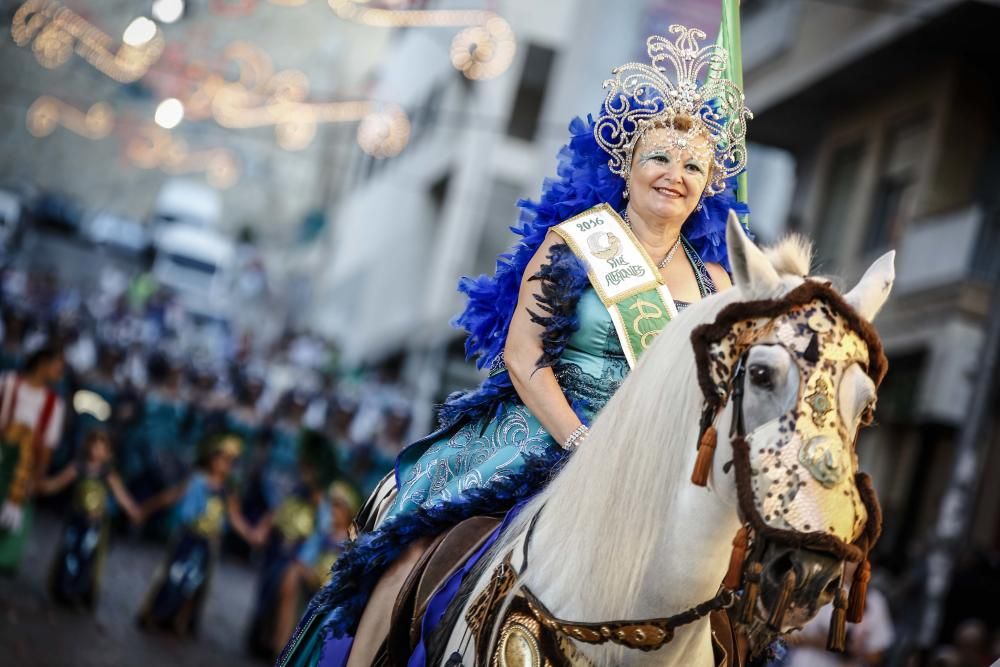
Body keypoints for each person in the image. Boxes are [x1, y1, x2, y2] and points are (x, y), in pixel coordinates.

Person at [281, 23, 751, 666]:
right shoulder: (575, 241)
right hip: (549, 429)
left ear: (708, 186)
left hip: (653, 460)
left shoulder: (719, 284)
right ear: (626, 163)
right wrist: (583, 445)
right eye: (659, 157)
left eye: (693, 164)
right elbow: (524, 357)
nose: (675, 175)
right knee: (420, 548)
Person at [136, 433, 259, 637]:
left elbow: (235, 518)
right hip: (188, 538)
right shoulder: (197, 481)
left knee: (195, 583)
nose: (224, 465)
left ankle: (181, 621)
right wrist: (146, 508)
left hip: (207, 544)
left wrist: (251, 535)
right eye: (221, 459)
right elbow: (171, 496)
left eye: (229, 462)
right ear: (212, 459)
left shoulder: (228, 492)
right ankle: (156, 613)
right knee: (174, 576)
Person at [245, 429, 341, 660]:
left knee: (287, 586)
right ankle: (265, 640)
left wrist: (303, 561)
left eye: (309, 466)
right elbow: (278, 509)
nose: (304, 469)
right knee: (267, 593)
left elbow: (321, 534)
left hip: (300, 557)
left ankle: (283, 651)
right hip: (278, 549)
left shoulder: (324, 500)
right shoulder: (299, 489)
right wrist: (262, 529)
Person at [38, 428, 143, 608]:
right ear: (88, 447)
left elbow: (121, 495)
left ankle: (79, 591)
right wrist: (40, 485)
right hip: (77, 520)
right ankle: (64, 588)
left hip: (94, 524)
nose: (97, 451)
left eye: (102, 448)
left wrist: (133, 510)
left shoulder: (107, 473)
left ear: (108, 452)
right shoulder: (78, 467)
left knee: (87, 557)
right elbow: (57, 483)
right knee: (71, 553)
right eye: (95, 446)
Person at [0, 342, 66, 574]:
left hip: (25, 467)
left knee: (14, 517)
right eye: (58, 365)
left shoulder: (54, 404)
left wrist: (37, 476)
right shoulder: (9, 384)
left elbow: (47, 446)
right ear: (43, 363)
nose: (60, 371)